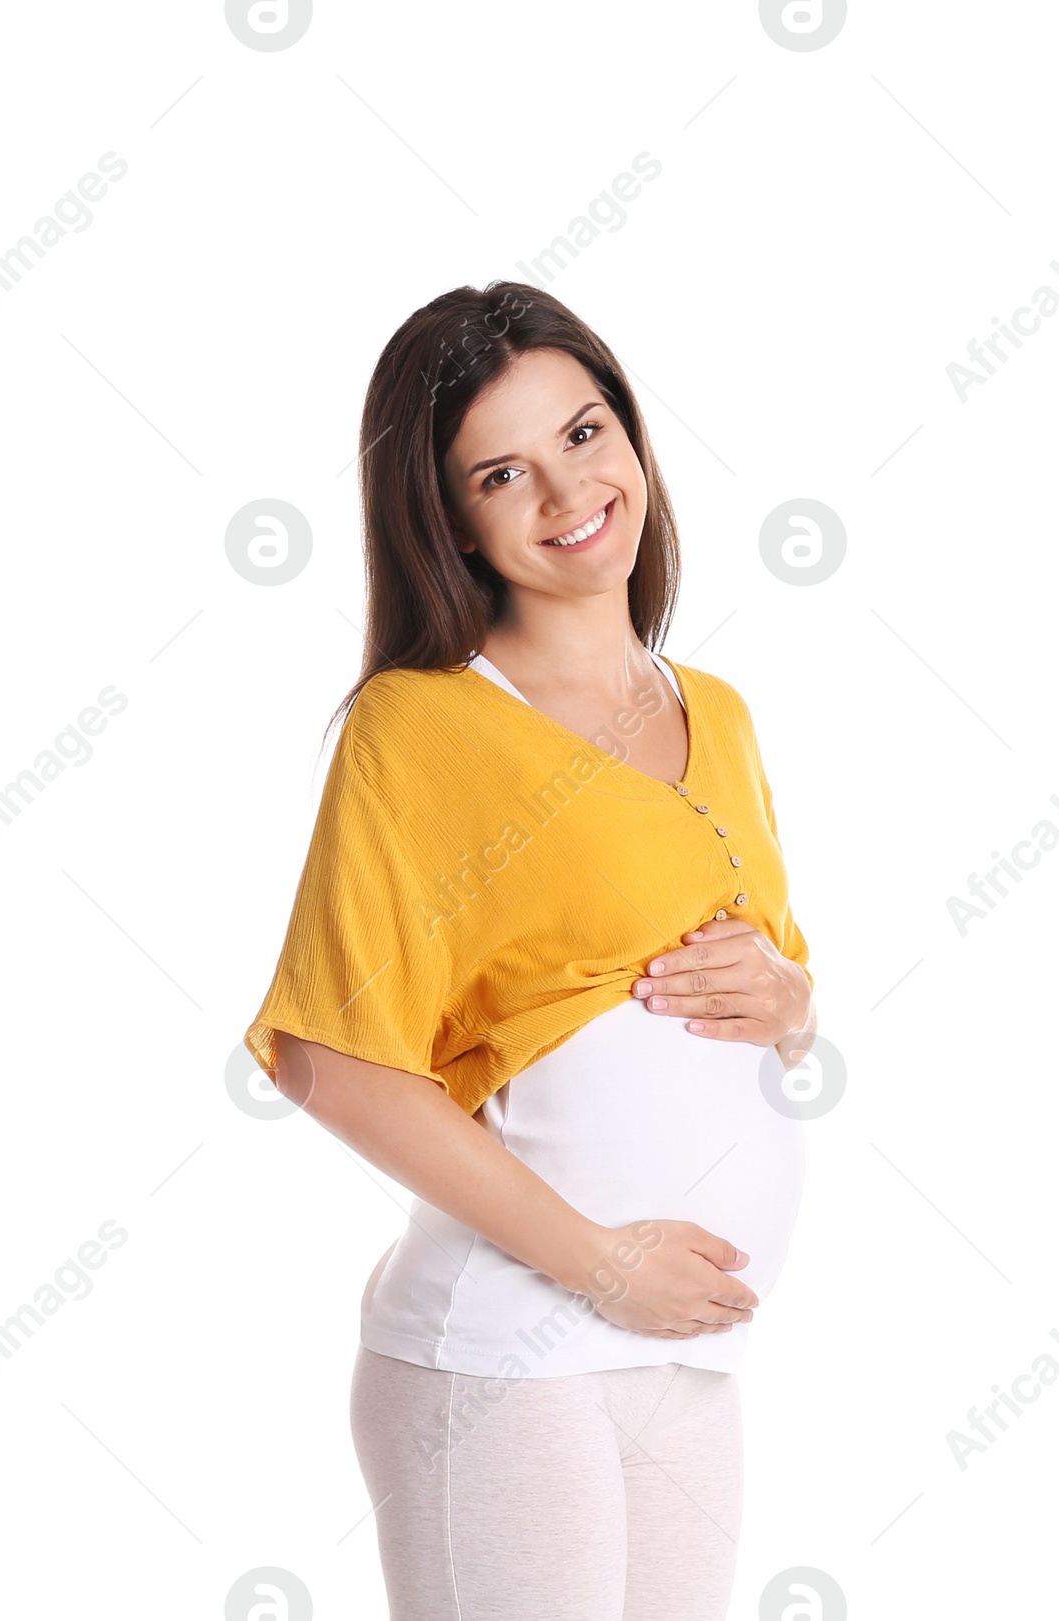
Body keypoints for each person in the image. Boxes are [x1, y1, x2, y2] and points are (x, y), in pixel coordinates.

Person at [242, 280, 818, 1620]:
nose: (568, 492)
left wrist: (793, 1000)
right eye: (501, 471)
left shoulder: (716, 710)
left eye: (584, 432)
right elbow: (330, 1056)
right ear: (446, 516)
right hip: (505, 1346)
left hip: (681, 1347)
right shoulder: (419, 727)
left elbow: (769, 995)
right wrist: (596, 1260)